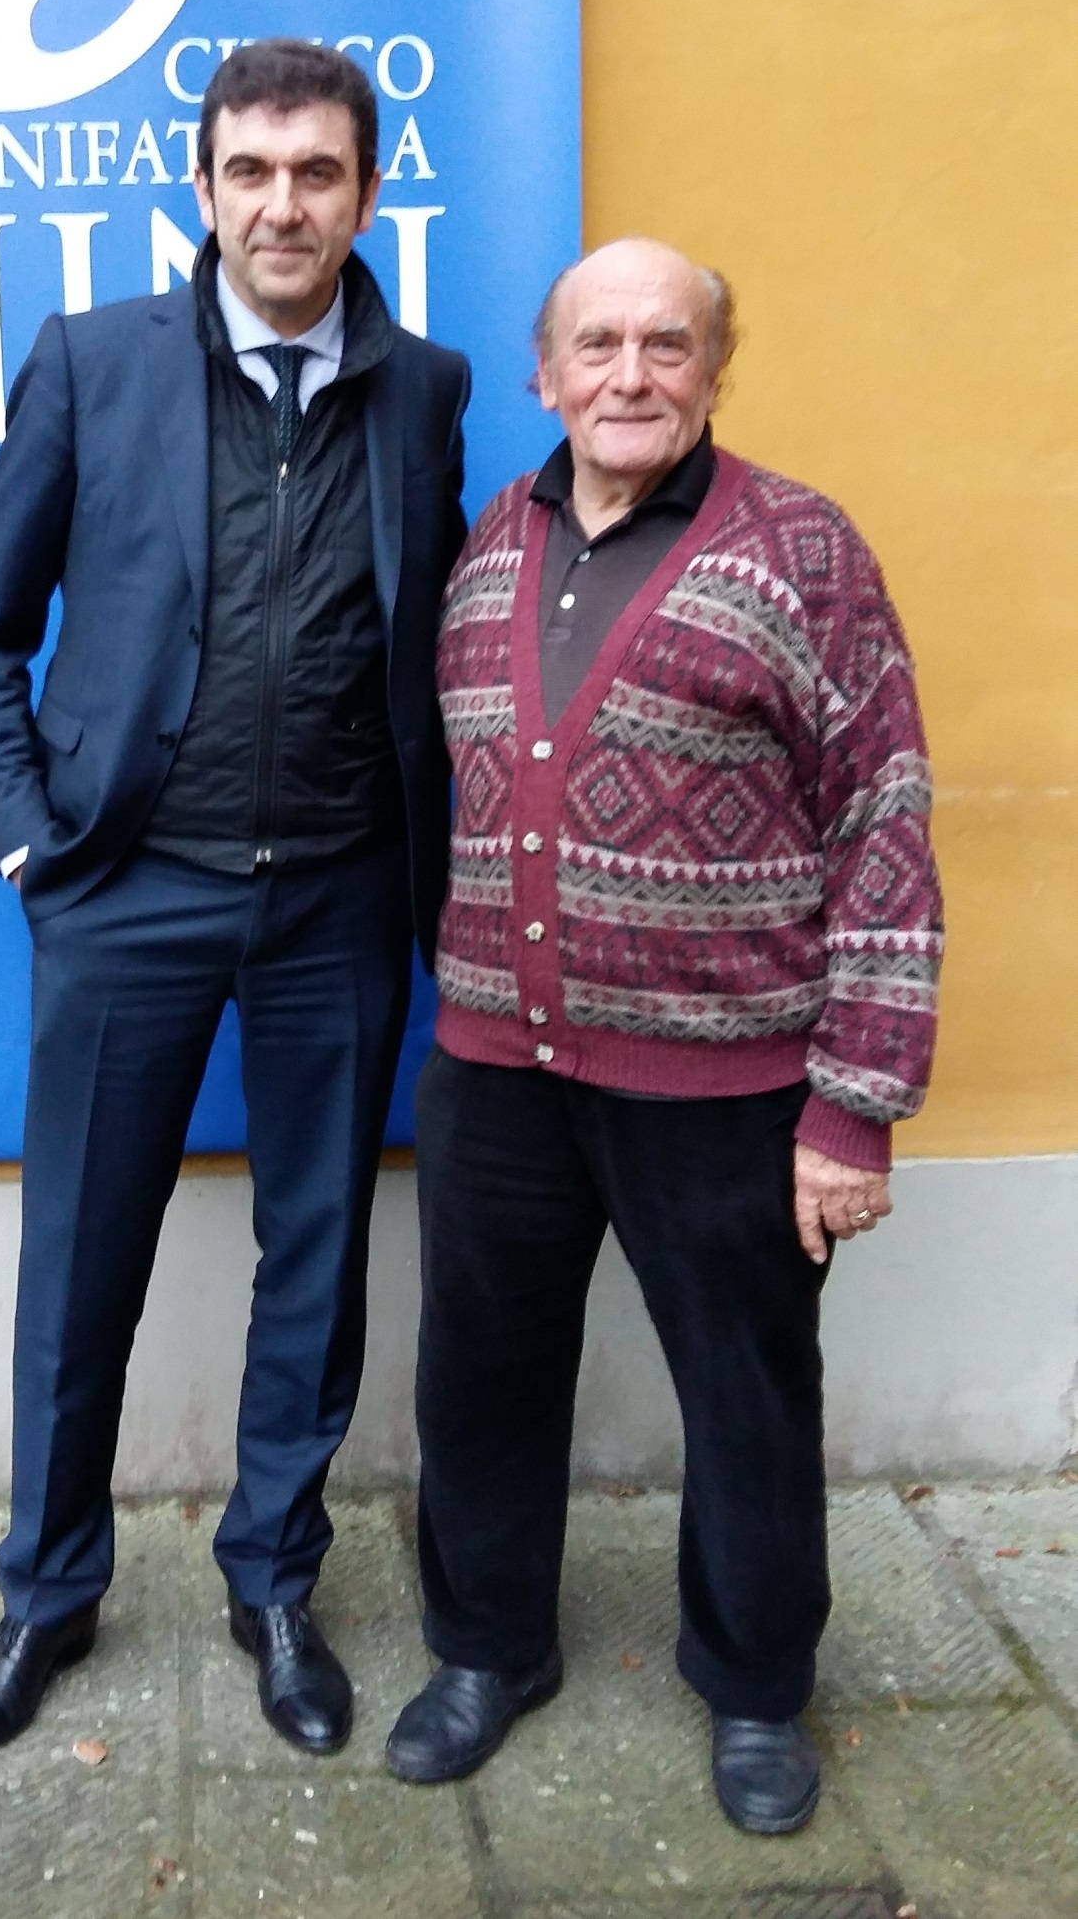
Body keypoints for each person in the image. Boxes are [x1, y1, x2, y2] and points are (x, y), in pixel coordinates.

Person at [0, 40, 470, 1763]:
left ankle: (276, 1583)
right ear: (206, 186)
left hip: (335, 900)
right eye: (253, 171)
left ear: (366, 193)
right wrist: (30, 843)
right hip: (128, 897)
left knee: (316, 1256)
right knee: (80, 1260)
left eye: (318, 173)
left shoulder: (429, 388)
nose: (284, 205)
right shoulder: (96, 363)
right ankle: (45, 1594)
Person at [385, 238, 941, 1832]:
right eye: (600, 346)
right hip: (496, 1067)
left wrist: (856, 1105)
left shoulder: (803, 553)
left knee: (748, 1397)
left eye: (667, 346)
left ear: (714, 368)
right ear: (549, 373)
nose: (632, 376)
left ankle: (758, 1686)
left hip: (726, 1083)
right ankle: (489, 1648)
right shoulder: (495, 537)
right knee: (480, 1382)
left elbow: (884, 819)